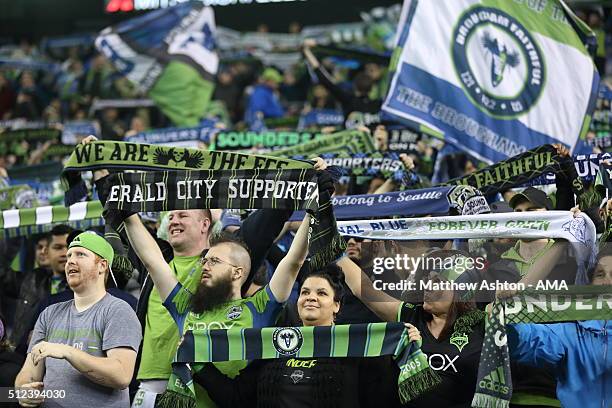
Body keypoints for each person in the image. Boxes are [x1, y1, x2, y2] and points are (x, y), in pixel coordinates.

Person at [123, 207, 313, 406]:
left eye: (214, 261)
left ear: (237, 273)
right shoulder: (186, 306)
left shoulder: (260, 307)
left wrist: (312, 212)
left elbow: (293, 261)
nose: (205, 266)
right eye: (204, 261)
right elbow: (153, 261)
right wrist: (128, 216)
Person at [192, 265, 414, 408]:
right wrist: (200, 362)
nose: (310, 298)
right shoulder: (274, 345)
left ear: (336, 306)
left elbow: (383, 398)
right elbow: (237, 398)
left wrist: (404, 353)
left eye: (321, 293)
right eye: (305, 292)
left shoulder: (357, 347)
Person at [338, 249, 486, 407]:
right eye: (428, 281)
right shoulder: (412, 315)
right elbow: (365, 289)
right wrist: (333, 248)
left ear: (460, 293)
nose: (427, 287)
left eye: (438, 283)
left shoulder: (480, 325)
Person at [15, 232, 142, 408]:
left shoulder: (118, 310)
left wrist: (68, 352)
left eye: (80, 254)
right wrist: (23, 390)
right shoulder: (49, 313)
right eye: (69, 256)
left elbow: (121, 376)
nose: (70, 261)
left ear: (102, 265)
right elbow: (29, 371)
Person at [506, 246, 612, 408]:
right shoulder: (572, 333)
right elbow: (530, 341)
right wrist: (507, 316)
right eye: (600, 274)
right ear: (590, 284)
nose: (608, 282)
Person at [9, 226, 72, 348]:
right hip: (23, 356)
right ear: (46, 251)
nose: (65, 253)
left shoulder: (85, 286)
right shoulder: (30, 280)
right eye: (58, 247)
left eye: (69, 247)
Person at [302, 39, 381, 119]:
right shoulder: (378, 105)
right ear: (371, 88)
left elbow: (325, 80)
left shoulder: (348, 100)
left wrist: (307, 51)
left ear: (355, 86)